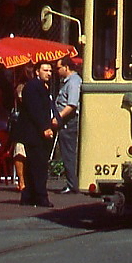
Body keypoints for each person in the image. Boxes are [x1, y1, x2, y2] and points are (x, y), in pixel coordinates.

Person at [15, 61, 56, 207]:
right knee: (38, 166)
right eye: (45, 70)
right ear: (37, 71)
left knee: (34, 165)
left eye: (50, 71)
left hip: (36, 132)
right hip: (33, 133)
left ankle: (29, 196)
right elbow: (35, 110)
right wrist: (44, 127)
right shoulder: (33, 86)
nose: (49, 73)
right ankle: (40, 196)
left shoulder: (44, 87)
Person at [52, 56, 82, 194]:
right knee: (66, 152)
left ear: (66, 67)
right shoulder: (66, 82)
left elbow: (72, 104)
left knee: (69, 152)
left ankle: (72, 184)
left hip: (69, 122)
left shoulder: (74, 82)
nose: (56, 71)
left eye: (58, 68)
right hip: (66, 121)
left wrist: (58, 117)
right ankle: (71, 182)